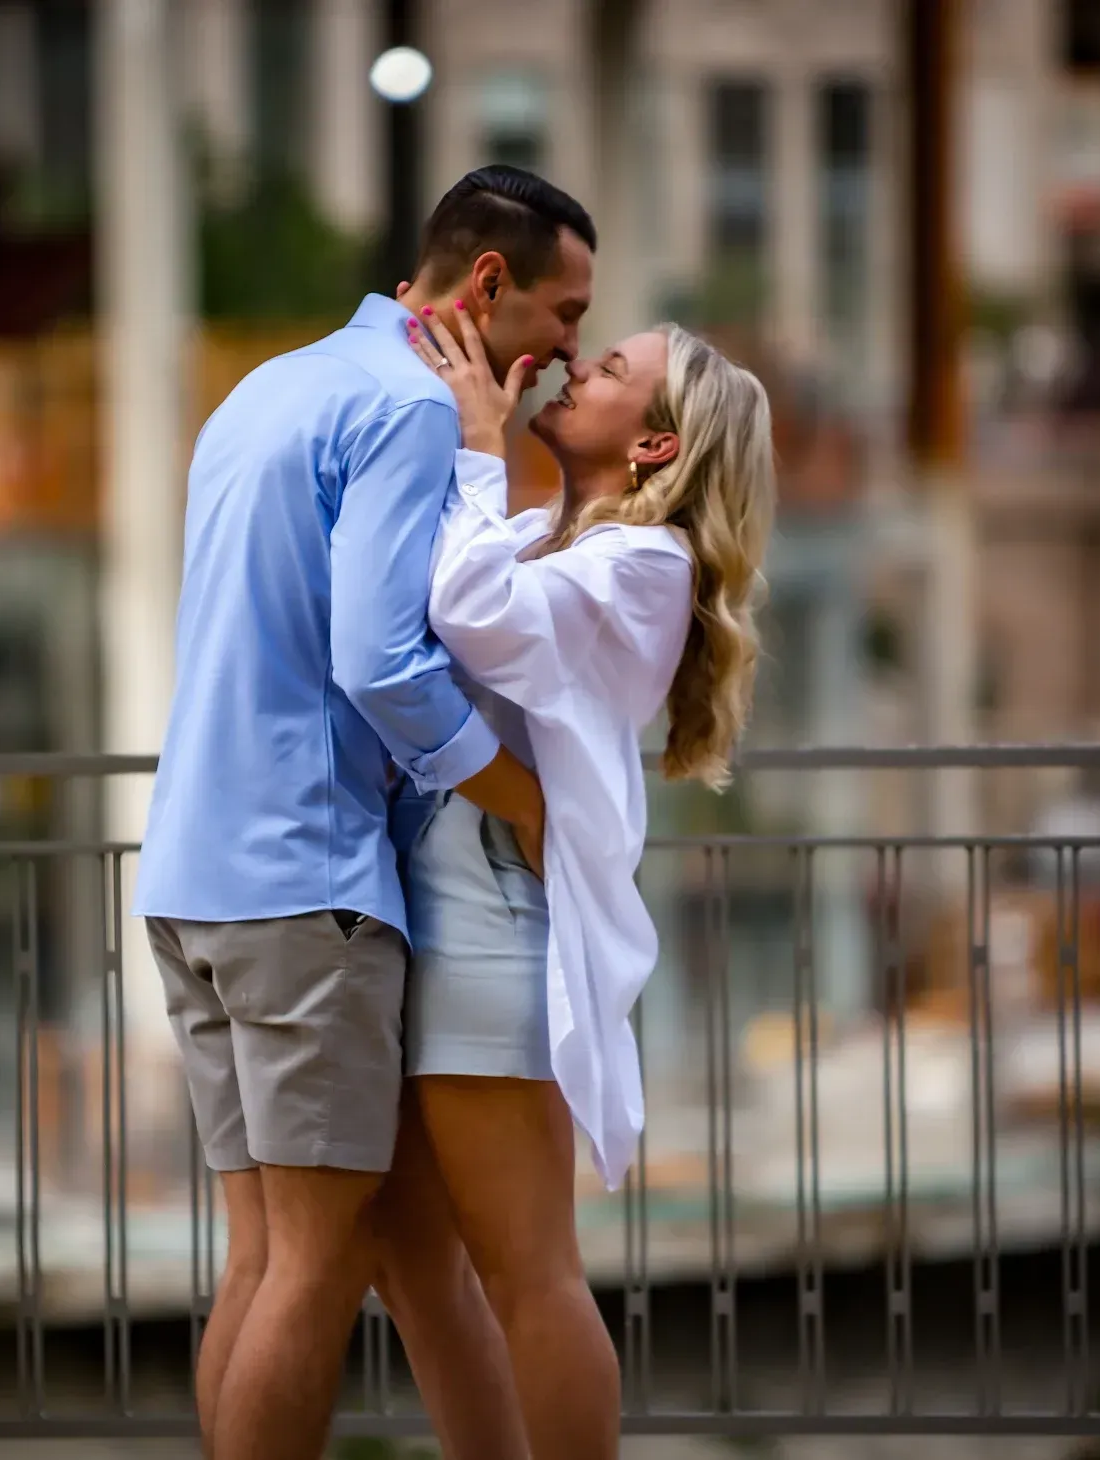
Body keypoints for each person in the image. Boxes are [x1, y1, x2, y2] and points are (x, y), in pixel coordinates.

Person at [133, 165, 595, 1460]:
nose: (571, 347)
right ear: (487, 283)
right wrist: (528, 799)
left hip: (193, 875)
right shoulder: (399, 408)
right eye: (565, 313)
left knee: (260, 1261)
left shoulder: (264, 390)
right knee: (316, 1273)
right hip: (306, 884)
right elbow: (380, 663)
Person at [371, 304, 775, 1459]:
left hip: (488, 920)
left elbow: (467, 609)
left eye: (605, 371)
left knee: (528, 1270)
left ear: (651, 445)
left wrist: (473, 439)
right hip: (433, 907)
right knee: (411, 1254)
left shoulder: (643, 565)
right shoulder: (560, 530)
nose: (571, 368)